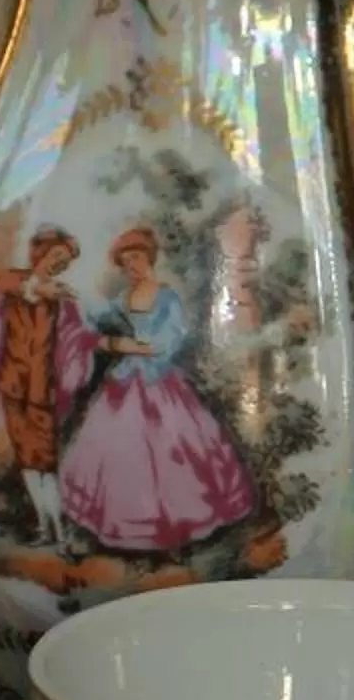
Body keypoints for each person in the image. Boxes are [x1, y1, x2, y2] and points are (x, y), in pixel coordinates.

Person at [59, 225, 258, 553]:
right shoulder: (125, 297)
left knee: (174, 447)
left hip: (159, 380)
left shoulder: (166, 297)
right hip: (126, 378)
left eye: (135, 258)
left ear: (149, 257)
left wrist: (130, 346)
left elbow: (171, 340)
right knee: (117, 446)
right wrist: (86, 322)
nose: (131, 267)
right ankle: (125, 524)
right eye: (125, 262)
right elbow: (96, 319)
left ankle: (179, 527)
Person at [0, 227, 98, 541]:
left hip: (41, 390)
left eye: (64, 261)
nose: (59, 263)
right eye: (56, 255)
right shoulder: (17, 282)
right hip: (13, 384)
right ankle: (44, 526)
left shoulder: (62, 299)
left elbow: (75, 339)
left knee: (45, 462)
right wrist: (38, 289)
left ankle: (59, 530)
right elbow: (5, 282)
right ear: (40, 253)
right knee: (27, 461)